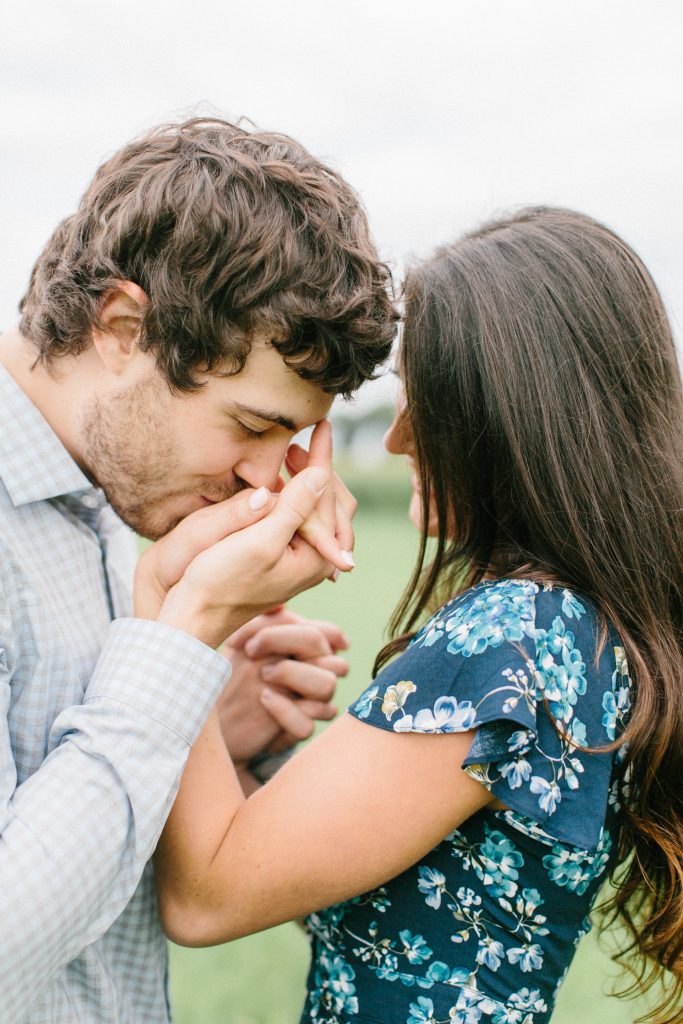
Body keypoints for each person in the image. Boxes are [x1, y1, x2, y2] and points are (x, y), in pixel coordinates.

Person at [152, 207, 683, 1024]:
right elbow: (400, 912)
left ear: (507, 420)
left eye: (424, 401)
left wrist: (180, 610)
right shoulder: (577, 628)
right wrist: (243, 753)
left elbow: (205, 897)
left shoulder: (505, 642)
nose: (397, 439)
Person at [0, 117, 397, 1023]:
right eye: (253, 427)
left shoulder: (101, 490)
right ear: (122, 327)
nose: (267, 475)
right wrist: (181, 640)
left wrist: (203, 718)